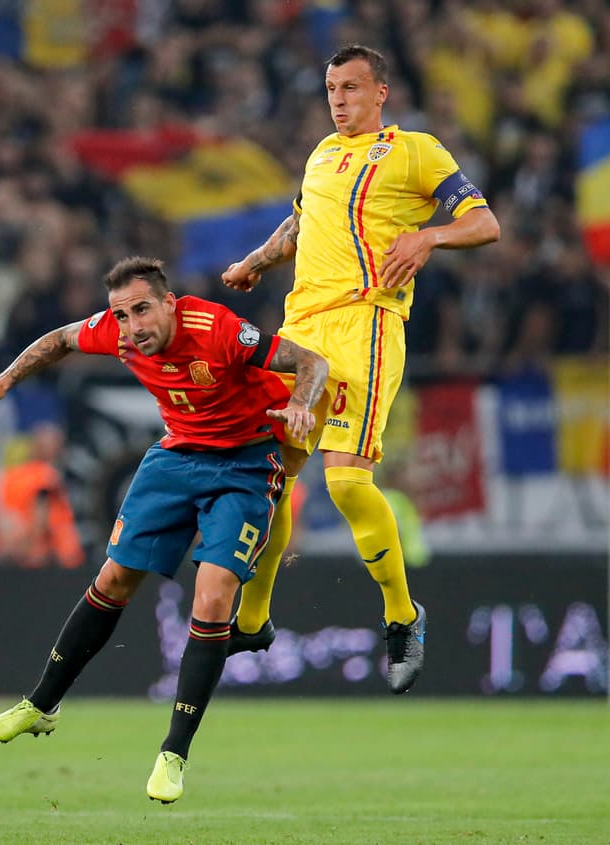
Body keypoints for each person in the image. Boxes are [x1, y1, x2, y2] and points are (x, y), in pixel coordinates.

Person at [0, 256, 327, 804]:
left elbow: (313, 363)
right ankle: (40, 706)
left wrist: (300, 405)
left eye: (142, 310)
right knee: (116, 576)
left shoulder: (216, 329)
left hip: (244, 464)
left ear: (170, 304)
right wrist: (3, 383)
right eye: (121, 315)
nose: (131, 326)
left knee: (213, 592)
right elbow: (60, 339)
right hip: (174, 459)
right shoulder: (117, 335)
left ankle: (174, 753)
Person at [221, 44, 501, 693]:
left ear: (381, 92)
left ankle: (403, 616)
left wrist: (428, 236)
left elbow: (485, 223)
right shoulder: (321, 155)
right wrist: (257, 261)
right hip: (300, 334)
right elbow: (300, 221)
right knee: (270, 476)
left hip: (364, 325)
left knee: (346, 483)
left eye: (351, 87)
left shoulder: (415, 150)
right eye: (330, 88)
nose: (339, 99)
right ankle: (255, 617)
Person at [0, 422, 84, 569]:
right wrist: (33, 548)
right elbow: (41, 512)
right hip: (47, 553)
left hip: (14, 550)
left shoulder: (9, 476)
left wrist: (6, 547)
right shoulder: (46, 473)